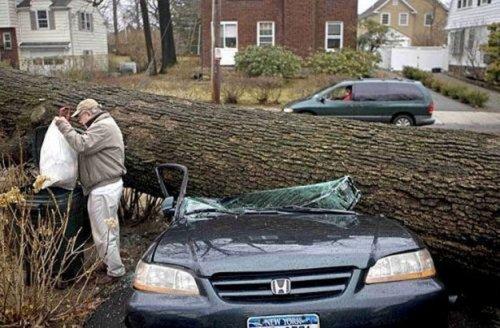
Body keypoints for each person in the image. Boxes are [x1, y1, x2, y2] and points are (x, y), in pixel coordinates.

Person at [54, 99, 127, 284]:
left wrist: (63, 125)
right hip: (107, 185)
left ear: (88, 112)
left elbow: (82, 145)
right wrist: (68, 126)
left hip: (103, 188)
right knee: (110, 229)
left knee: (103, 233)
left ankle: (115, 272)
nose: (80, 121)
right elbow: (84, 140)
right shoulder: (104, 124)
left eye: (81, 116)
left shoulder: (103, 127)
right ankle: (110, 263)